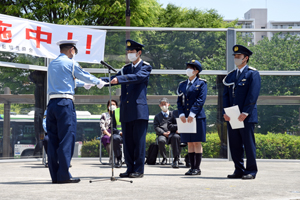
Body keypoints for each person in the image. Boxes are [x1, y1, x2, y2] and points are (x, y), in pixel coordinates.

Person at [46, 39, 105, 184]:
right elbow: (82, 73)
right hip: (65, 104)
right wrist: (97, 81)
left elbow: (66, 80)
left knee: (53, 141)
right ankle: (64, 175)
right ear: (71, 49)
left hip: (52, 104)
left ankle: (56, 176)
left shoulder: (52, 64)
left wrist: (82, 84)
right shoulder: (71, 63)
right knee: (67, 139)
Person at [102, 39, 152, 178]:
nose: (129, 54)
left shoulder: (146, 67)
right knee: (128, 142)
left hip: (139, 111)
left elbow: (137, 77)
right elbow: (113, 79)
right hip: (126, 110)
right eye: (128, 52)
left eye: (132, 51)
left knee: (139, 142)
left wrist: (120, 79)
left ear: (139, 52)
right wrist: (97, 81)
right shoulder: (125, 69)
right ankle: (129, 168)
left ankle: (138, 170)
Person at [223, 45, 261, 180]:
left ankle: (251, 171)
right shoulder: (231, 76)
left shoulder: (252, 74)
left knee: (249, 144)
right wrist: (225, 112)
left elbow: (253, 95)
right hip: (232, 116)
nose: (236, 58)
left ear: (246, 58)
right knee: (235, 144)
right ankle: (238, 169)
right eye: (235, 56)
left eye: (239, 56)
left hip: (246, 116)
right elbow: (225, 95)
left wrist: (246, 112)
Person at [177, 60, 207, 176]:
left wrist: (192, 113)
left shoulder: (202, 83)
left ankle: (197, 168)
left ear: (196, 71)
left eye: (191, 68)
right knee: (189, 142)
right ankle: (191, 167)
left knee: (196, 142)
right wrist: (181, 114)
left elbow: (201, 100)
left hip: (197, 117)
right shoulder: (182, 84)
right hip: (185, 118)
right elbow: (180, 101)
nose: (188, 70)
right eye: (188, 67)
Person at [153, 98, 181, 168]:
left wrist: (173, 131)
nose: (163, 105)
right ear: (159, 106)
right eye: (162, 104)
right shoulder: (157, 116)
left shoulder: (173, 114)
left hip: (173, 133)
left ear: (168, 104)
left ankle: (176, 159)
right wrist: (163, 133)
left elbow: (178, 124)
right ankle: (164, 158)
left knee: (176, 138)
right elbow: (156, 127)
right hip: (163, 134)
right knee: (161, 140)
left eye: (165, 104)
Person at [100, 99, 123, 168]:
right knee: (109, 139)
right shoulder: (104, 115)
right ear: (107, 106)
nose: (112, 106)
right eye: (110, 105)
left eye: (114, 104)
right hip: (107, 132)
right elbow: (102, 127)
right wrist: (108, 134)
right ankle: (113, 158)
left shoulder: (118, 113)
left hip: (116, 132)